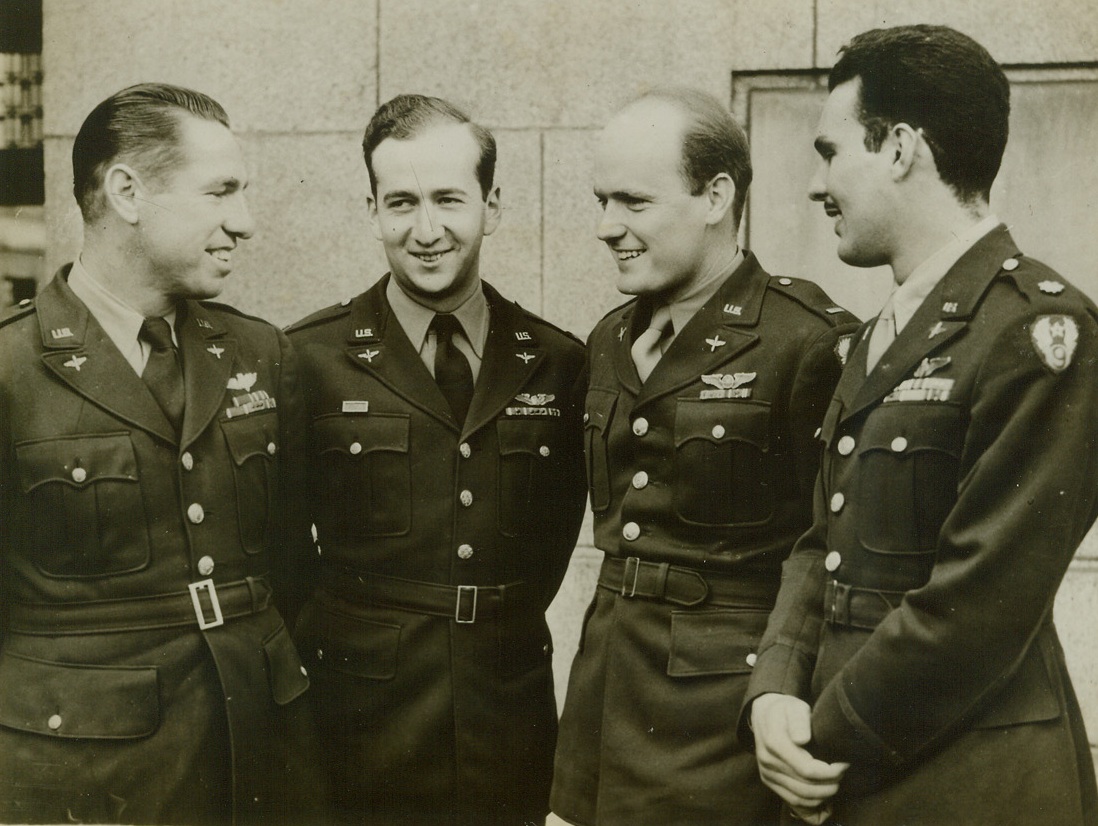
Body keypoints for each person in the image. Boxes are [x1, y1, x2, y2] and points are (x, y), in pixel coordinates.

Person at [743, 24, 1098, 825]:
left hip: (964, 781)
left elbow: (981, 602)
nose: (814, 184)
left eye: (830, 152)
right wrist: (770, 693)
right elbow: (818, 543)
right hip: (846, 768)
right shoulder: (880, 335)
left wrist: (817, 736)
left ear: (901, 148)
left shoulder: (1039, 333)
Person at [0, 83, 324, 824]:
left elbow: (292, 568)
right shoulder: (12, 372)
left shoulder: (258, 352)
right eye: (221, 192)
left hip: (255, 752)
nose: (243, 223)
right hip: (88, 772)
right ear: (127, 192)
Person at [549, 87, 858, 825]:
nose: (606, 227)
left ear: (716, 195)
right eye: (600, 201)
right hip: (602, 708)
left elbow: (831, 557)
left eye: (633, 202)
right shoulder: (608, 339)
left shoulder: (806, 342)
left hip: (725, 728)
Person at [285, 93, 587, 826]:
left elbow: (547, 547)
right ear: (371, 209)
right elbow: (282, 552)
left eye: (449, 200)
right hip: (358, 717)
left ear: (492, 204)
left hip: (505, 708)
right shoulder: (308, 358)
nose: (426, 231)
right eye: (401, 203)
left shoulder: (555, 361)